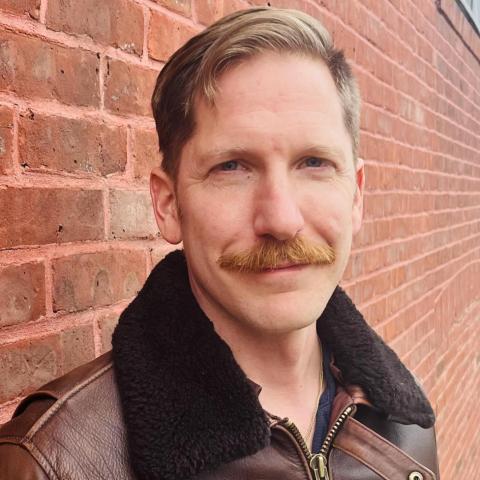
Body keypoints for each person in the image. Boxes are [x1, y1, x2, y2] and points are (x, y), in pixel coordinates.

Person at [0, 7, 439, 480]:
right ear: (168, 205)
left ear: (356, 195)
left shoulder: (404, 422)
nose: (282, 219)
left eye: (314, 162)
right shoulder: (57, 462)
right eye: (232, 167)